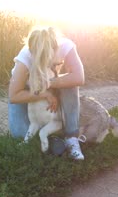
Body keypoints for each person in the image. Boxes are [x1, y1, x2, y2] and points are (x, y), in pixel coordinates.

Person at [8, 26, 86, 160]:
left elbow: (79, 78)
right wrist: (44, 94)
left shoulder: (65, 46)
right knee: (20, 135)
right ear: (31, 52)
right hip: (28, 90)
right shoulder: (25, 56)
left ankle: (71, 137)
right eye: (40, 57)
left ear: (56, 49)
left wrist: (48, 84)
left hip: (49, 84)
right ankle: (52, 137)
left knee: (71, 83)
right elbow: (14, 96)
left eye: (48, 57)